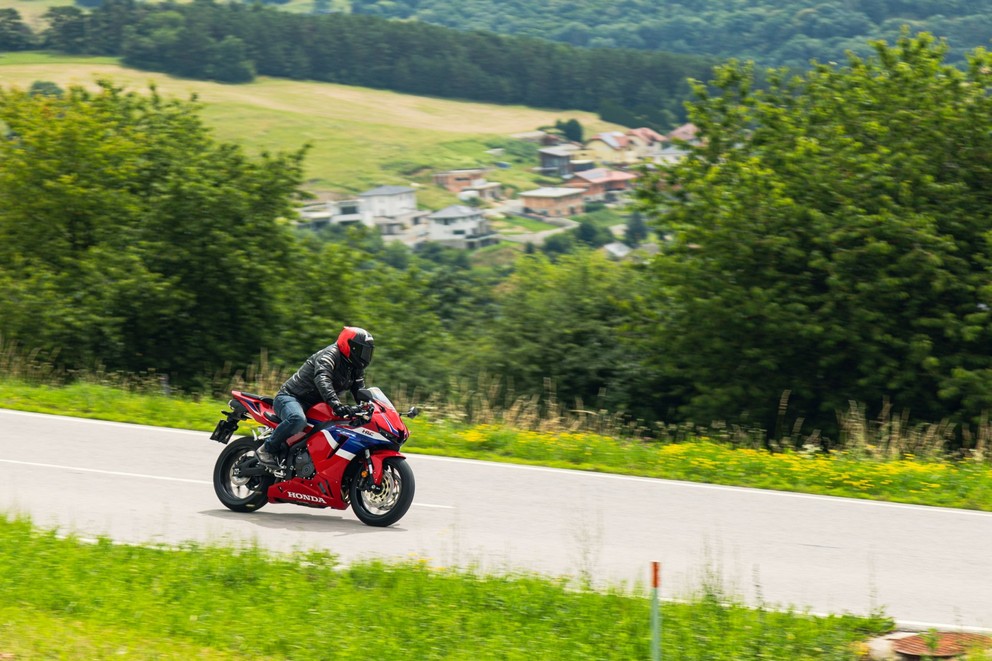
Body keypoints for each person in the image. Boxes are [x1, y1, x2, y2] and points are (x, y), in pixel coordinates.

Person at [256, 326, 374, 468]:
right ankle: (266, 449)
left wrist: (370, 406)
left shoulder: (355, 367)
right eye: (362, 350)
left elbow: (359, 389)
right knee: (298, 419)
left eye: (367, 352)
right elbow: (322, 378)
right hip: (291, 397)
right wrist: (335, 403)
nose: (364, 355)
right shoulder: (329, 355)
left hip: (317, 406)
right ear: (350, 346)